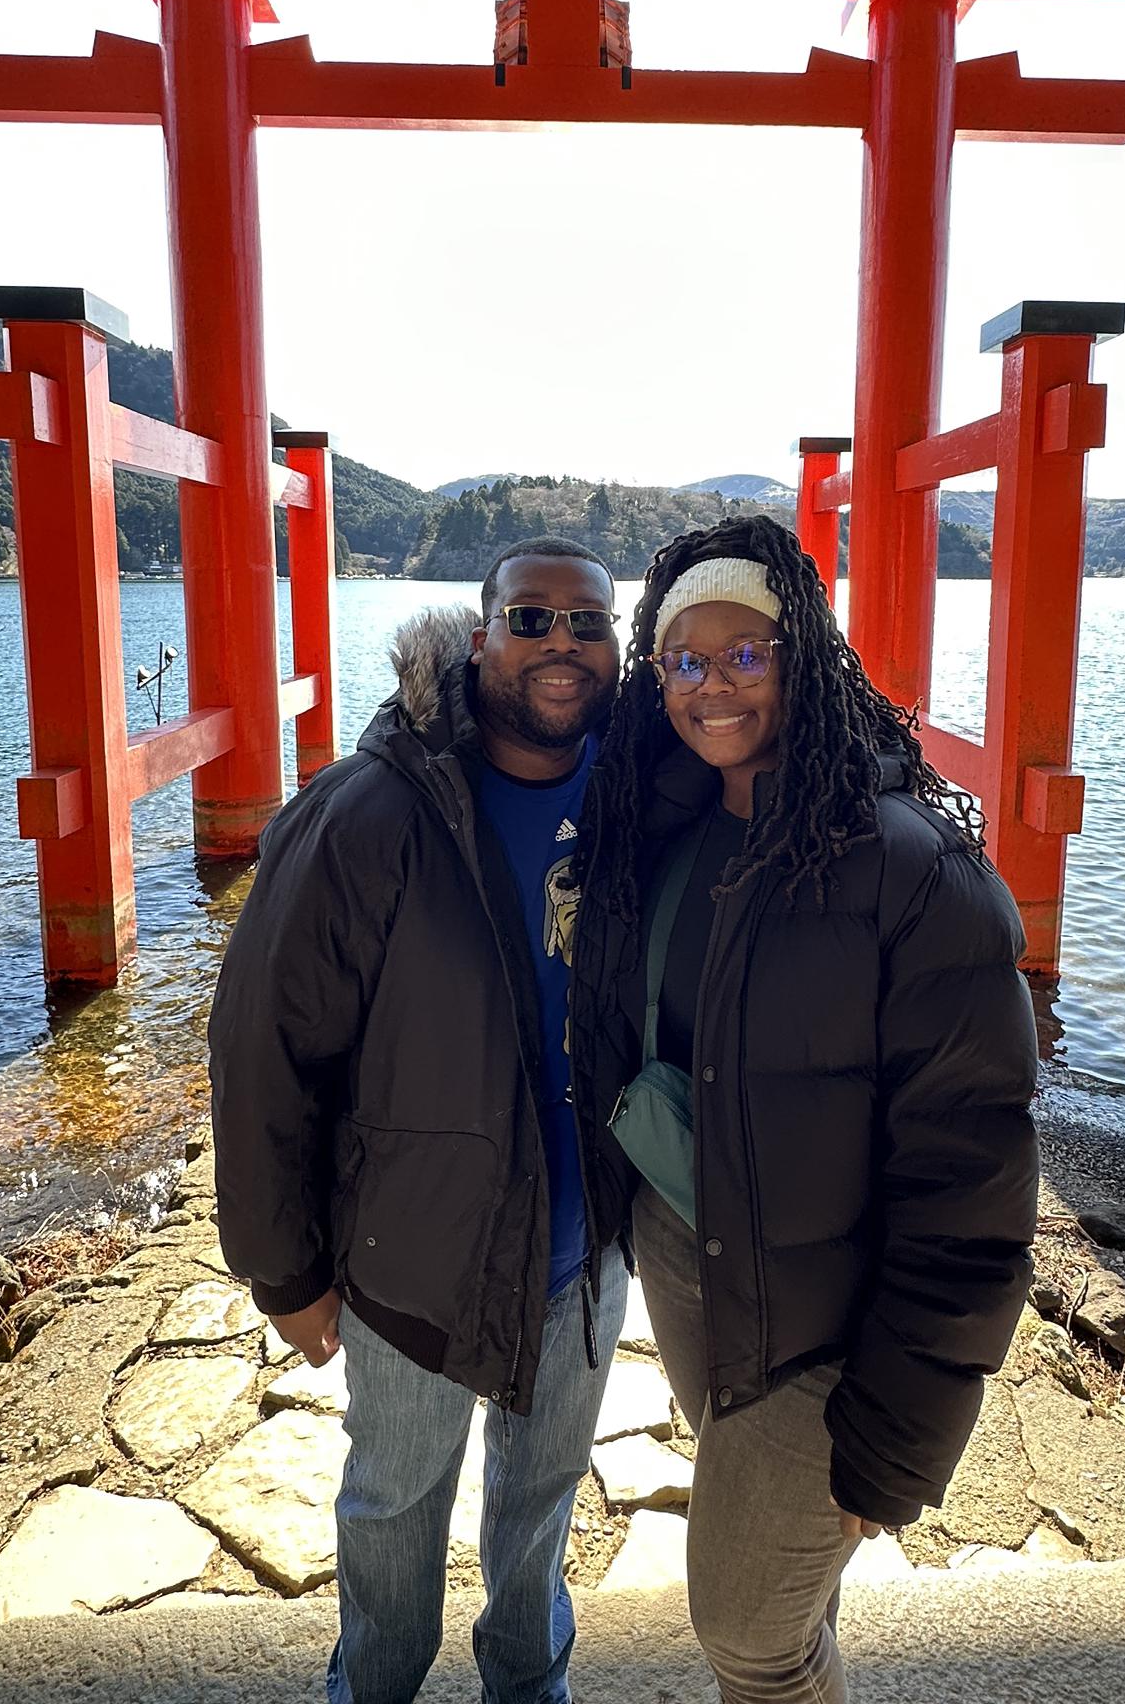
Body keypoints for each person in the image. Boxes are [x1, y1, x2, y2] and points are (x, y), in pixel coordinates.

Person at [571, 515, 1039, 1704]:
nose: (713, 684)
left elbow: (971, 1188)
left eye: (747, 653)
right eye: (685, 658)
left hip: (829, 1325)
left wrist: (896, 1435)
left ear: (805, 658)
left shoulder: (914, 869)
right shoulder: (670, 825)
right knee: (790, 1597)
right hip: (695, 1259)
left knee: (745, 1629)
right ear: (655, 672)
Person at [208, 537, 631, 1704]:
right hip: (415, 1245)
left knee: (543, 1499)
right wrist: (283, 1267)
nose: (560, 644)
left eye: (587, 623)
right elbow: (261, 1049)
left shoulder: (641, 790)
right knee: (394, 1501)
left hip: (584, 1244)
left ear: (616, 646)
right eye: (531, 618)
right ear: (477, 633)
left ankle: (526, 1685)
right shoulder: (370, 811)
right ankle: (375, 1690)